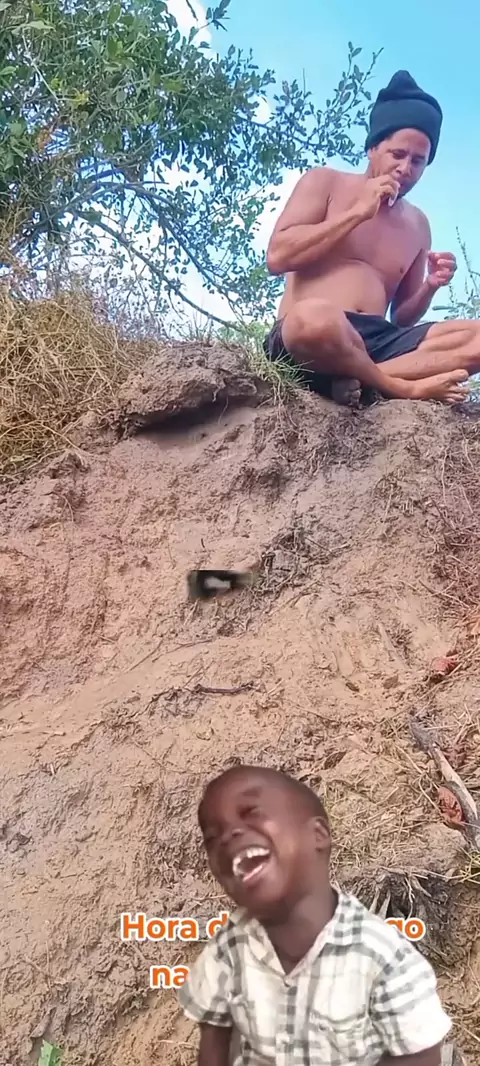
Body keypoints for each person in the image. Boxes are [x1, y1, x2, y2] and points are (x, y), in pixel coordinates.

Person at [178, 764, 452, 1066]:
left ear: (317, 835)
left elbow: (421, 1056)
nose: (229, 836)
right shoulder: (227, 951)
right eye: (212, 838)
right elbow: (215, 1041)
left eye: (252, 812)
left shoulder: (382, 957)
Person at [264, 70, 478, 407]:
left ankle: (358, 380)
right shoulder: (325, 183)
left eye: (418, 161)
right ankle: (401, 386)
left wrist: (430, 285)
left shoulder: (418, 224)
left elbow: (402, 319)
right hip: (314, 337)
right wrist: (356, 214)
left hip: (377, 342)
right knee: (312, 320)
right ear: (373, 148)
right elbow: (278, 257)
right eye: (397, 154)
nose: (406, 168)